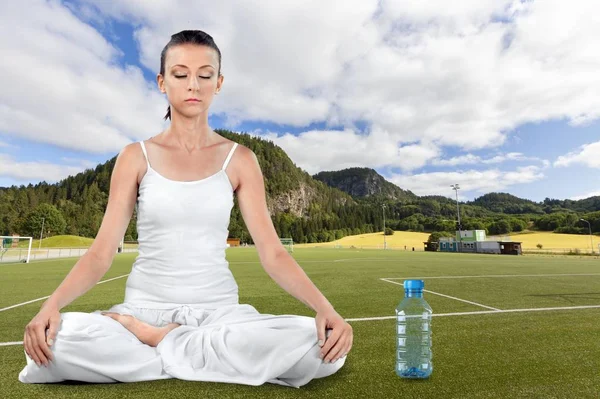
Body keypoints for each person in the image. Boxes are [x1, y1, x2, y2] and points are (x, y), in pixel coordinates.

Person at [19, 30, 352, 388]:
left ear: (219, 83)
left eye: (205, 75)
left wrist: (325, 309)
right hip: (143, 308)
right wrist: (50, 307)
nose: (193, 84)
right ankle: (187, 349)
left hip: (220, 314)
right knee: (58, 344)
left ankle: (159, 341)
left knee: (323, 349)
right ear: (163, 82)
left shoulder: (240, 160)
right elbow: (101, 253)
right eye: (180, 74)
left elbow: (272, 253)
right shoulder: (135, 156)